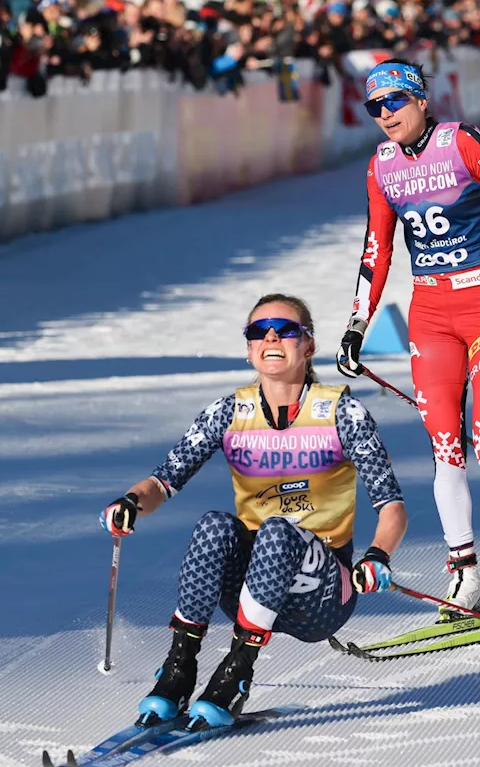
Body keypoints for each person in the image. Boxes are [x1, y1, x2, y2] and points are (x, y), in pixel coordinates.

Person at [100, 294, 408, 728]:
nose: (270, 338)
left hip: (318, 594)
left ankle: (237, 672)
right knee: (214, 527)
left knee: (279, 531)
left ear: (308, 345)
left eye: (284, 330)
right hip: (250, 587)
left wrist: (378, 555)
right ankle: (179, 668)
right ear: (248, 350)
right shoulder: (229, 411)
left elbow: (391, 505)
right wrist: (130, 503)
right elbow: (163, 480)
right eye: (257, 332)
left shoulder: (343, 411)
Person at [337, 59, 480, 624]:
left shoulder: (462, 141)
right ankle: (464, 578)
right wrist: (358, 323)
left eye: (394, 102)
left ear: (419, 101)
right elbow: (376, 249)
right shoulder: (382, 165)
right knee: (444, 449)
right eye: (374, 107)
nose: (385, 115)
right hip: (430, 315)